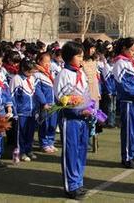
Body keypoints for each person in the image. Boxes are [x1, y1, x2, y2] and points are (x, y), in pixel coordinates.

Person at [54, 41, 91, 200]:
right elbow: (61, 98)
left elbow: (86, 93)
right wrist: (76, 107)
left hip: (83, 118)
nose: (82, 59)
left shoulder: (81, 73)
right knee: (71, 151)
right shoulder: (63, 74)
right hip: (70, 119)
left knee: (81, 150)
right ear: (69, 57)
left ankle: (78, 181)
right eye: (79, 56)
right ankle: (71, 186)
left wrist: (90, 106)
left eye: (82, 55)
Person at [112, 37, 134, 169]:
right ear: (124, 49)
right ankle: (126, 157)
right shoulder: (120, 63)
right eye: (131, 50)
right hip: (127, 101)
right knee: (128, 130)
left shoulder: (133, 62)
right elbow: (122, 84)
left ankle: (133, 154)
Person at [11, 58, 39, 162]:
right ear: (23, 68)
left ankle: (28, 150)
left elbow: (34, 94)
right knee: (21, 133)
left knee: (30, 132)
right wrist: (14, 112)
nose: (31, 73)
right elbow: (12, 96)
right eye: (29, 71)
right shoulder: (16, 79)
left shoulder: (31, 78)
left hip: (31, 111)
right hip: (21, 112)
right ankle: (20, 152)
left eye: (32, 71)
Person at [35, 52, 58, 153]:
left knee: (52, 124)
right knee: (45, 124)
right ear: (39, 61)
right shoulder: (37, 74)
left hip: (54, 103)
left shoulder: (50, 73)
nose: (48, 64)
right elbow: (37, 90)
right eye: (45, 62)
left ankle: (50, 142)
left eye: (49, 61)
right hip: (45, 104)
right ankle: (44, 143)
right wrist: (43, 102)